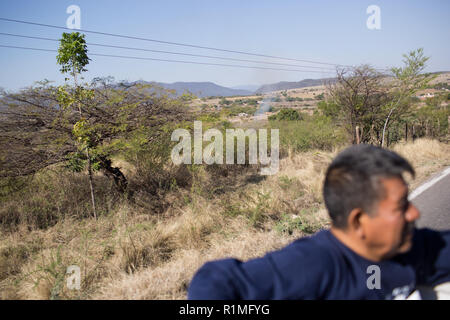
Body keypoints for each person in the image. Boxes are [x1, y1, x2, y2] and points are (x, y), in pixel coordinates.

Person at [187, 144, 450, 300]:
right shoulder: (315, 264)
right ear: (358, 221)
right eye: (401, 206)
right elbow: (215, 283)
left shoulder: (417, 249)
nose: (414, 213)